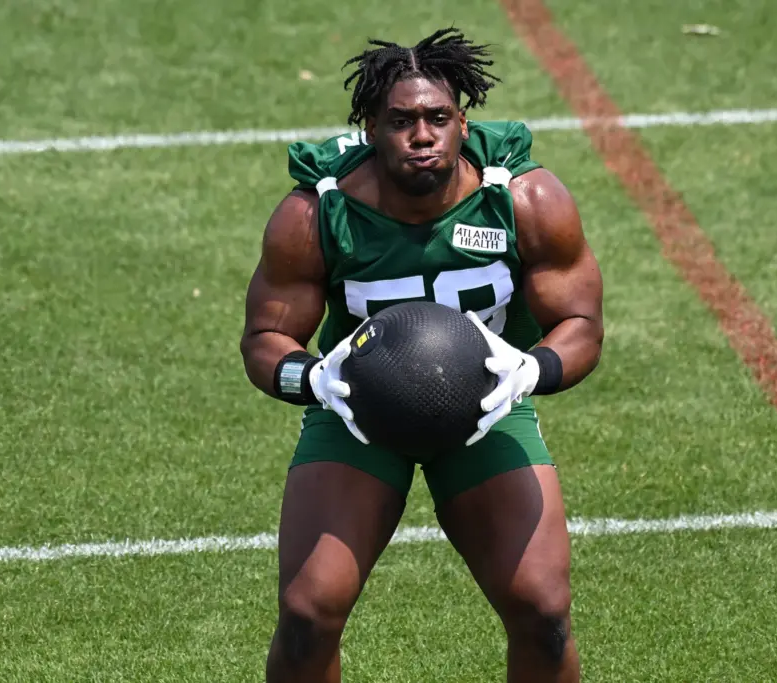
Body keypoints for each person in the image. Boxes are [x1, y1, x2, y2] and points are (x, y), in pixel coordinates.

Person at [240, 27, 604, 683]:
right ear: (371, 128)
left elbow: (580, 322)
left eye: (438, 117)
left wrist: (532, 367)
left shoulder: (524, 199)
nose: (422, 134)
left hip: (487, 407)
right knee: (306, 614)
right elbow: (264, 339)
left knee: (544, 612)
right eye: (401, 120)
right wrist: (314, 377)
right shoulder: (316, 212)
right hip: (357, 411)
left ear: (463, 123)